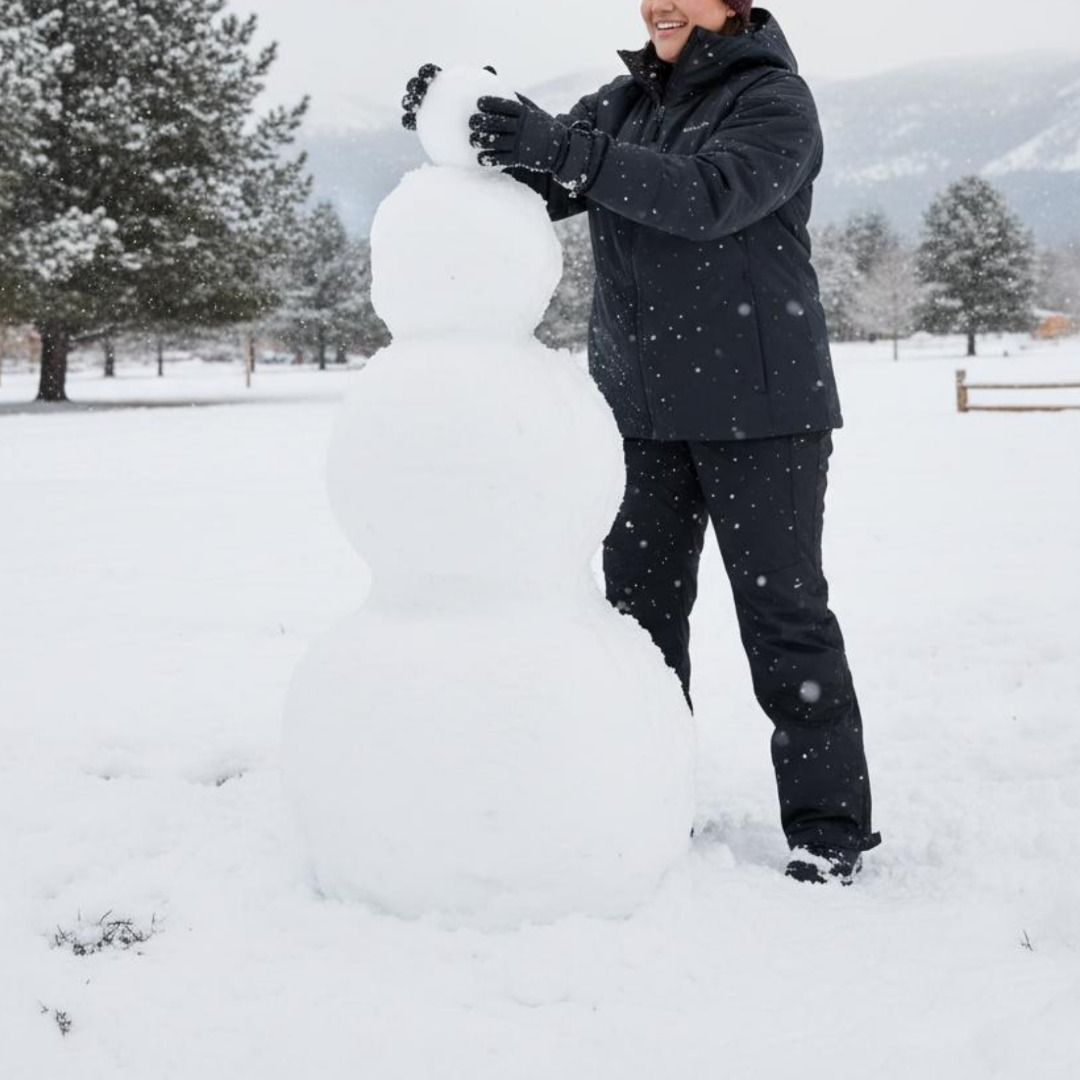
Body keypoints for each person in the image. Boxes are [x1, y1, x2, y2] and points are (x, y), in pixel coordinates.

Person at [400, 3, 881, 885]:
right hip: (640, 416)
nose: (660, 4)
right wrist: (465, 122)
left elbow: (704, 197)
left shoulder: (773, 99)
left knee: (785, 623)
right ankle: (653, 806)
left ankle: (830, 832)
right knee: (638, 630)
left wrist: (562, 150)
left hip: (762, 415)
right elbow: (533, 178)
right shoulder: (619, 105)